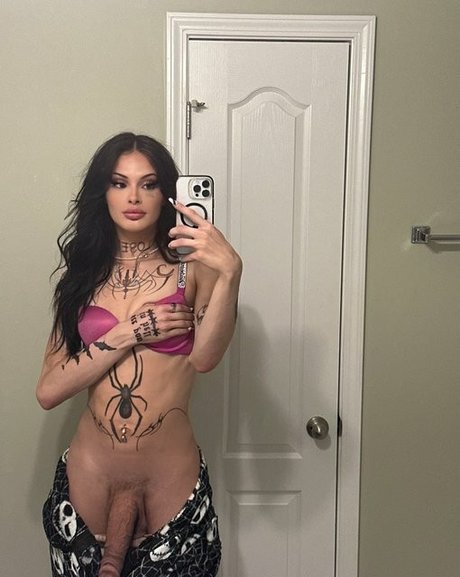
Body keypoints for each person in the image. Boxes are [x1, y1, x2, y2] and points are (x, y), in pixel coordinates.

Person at [36, 132, 242, 577]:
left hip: (171, 481)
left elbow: (206, 357)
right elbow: (49, 390)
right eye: (119, 183)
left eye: (148, 184)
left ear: (166, 194)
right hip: (88, 480)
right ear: (103, 192)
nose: (133, 197)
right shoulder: (81, 277)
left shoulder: (191, 270)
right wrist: (130, 331)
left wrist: (230, 273)